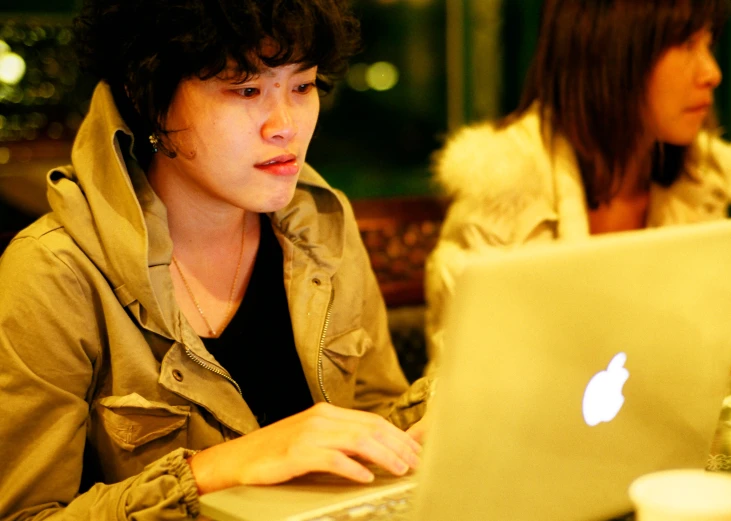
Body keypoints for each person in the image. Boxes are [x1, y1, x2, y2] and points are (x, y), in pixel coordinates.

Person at [0, 0, 431, 518]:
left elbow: (370, 423)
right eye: (246, 90)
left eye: (302, 86)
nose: (285, 126)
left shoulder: (321, 229)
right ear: (148, 100)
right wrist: (213, 470)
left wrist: (444, 411)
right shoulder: (54, 273)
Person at [425, 0, 731, 372]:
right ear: (612, 52)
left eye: (708, 45)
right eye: (687, 45)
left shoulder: (701, 183)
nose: (712, 72)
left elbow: (714, 372)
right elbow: (466, 388)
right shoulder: (501, 188)